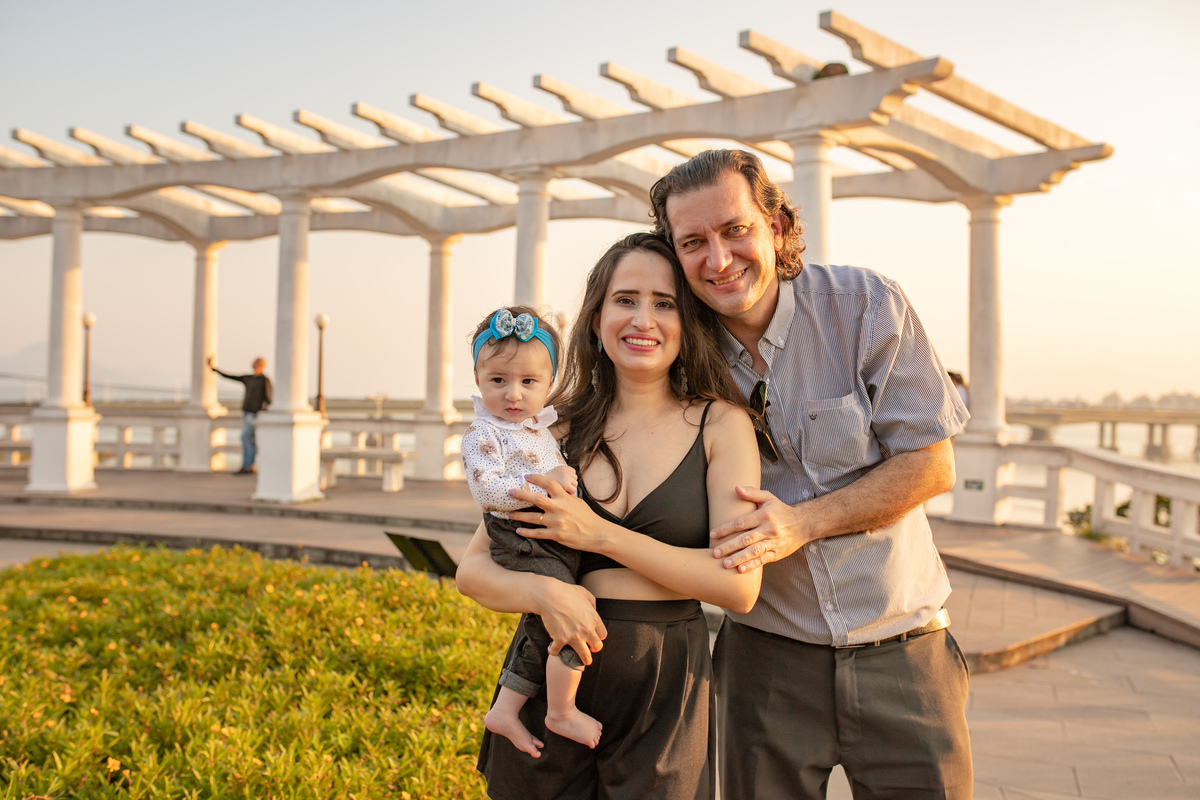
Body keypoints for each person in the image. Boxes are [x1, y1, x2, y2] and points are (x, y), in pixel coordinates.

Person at [648, 149, 973, 799]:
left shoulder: (865, 305)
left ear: (776, 224)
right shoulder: (674, 353)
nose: (717, 260)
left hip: (903, 652)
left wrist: (801, 523)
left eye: (735, 229)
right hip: (763, 663)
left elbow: (932, 464)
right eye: (693, 242)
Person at [456, 232, 762, 800]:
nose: (642, 318)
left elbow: (738, 586)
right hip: (551, 687)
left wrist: (599, 535)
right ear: (597, 318)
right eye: (625, 299)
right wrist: (545, 596)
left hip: (664, 687)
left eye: (664, 303)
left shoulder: (721, 425)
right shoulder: (553, 430)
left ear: (688, 319)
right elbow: (472, 572)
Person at [462, 305, 599, 755]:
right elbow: (490, 492)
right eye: (498, 380)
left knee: (541, 624)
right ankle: (560, 710)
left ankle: (505, 709)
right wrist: (547, 486)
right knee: (568, 612)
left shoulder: (536, 428)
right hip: (517, 537)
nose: (513, 394)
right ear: (479, 379)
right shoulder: (484, 433)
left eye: (529, 382)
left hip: (543, 535)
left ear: (549, 383)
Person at [208, 356, 272, 475]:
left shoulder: (264, 380)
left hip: (254, 414)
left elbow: (269, 398)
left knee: (246, 437)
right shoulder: (249, 378)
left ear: (260, 365)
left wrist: (264, 411)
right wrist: (214, 369)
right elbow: (231, 376)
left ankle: (248, 465)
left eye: (255, 363)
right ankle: (247, 465)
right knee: (247, 439)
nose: (253, 364)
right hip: (246, 412)